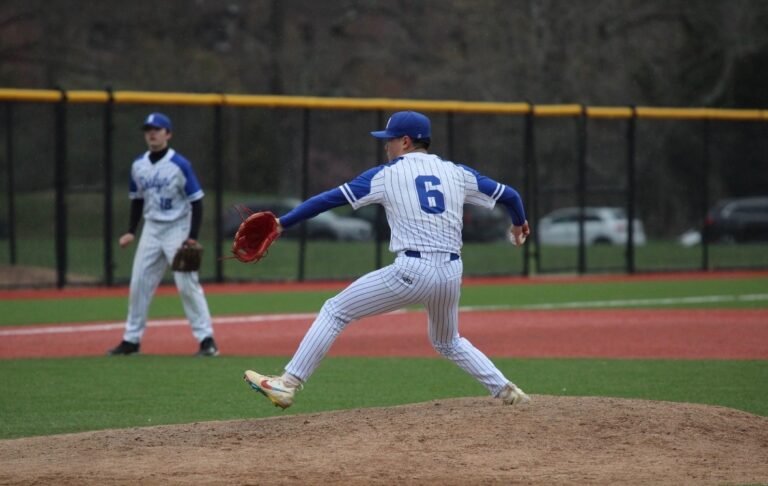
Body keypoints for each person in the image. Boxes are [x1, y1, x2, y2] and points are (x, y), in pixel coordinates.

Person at [243, 110, 531, 408]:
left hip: (412, 271)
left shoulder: (385, 175)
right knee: (448, 341)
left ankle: (287, 383)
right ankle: (506, 390)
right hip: (450, 273)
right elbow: (510, 195)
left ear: (405, 141)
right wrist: (518, 223)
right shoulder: (458, 173)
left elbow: (328, 199)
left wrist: (283, 223)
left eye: (389, 139)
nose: (385, 146)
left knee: (335, 310)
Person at [107, 112, 218, 357]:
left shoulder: (179, 164)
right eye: (148, 130)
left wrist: (192, 236)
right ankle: (131, 340)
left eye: (157, 129)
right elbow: (137, 200)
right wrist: (131, 231)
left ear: (168, 134)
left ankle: (206, 339)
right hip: (151, 228)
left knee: (186, 284)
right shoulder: (138, 165)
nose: (152, 134)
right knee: (139, 283)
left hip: (178, 228)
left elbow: (197, 201)